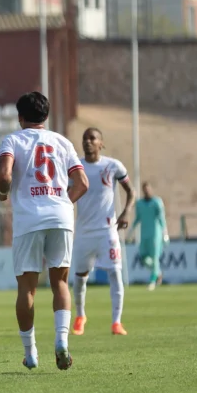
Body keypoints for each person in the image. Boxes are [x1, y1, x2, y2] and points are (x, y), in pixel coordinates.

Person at [0, 91, 89, 371]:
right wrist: (63, 203)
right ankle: (62, 342)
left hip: (29, 218)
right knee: (60, 282)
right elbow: (82, 183)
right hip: (61, 217)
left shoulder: (13, 140)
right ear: (46, 116)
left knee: (27, 288)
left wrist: (3, 192)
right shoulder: (62, 141)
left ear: (20, 117)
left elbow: (4, 175)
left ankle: (31, 353)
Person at [70, 127, 135, 336]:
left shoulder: (113, 166)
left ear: (101, 143)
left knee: (115, 273)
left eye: (92, 138)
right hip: (83, 232)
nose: (88, 142)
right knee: (80, 277)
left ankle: (116, 322)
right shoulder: (76, 167)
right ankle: (80, 316)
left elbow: (131, 192)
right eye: (85, 138)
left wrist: (126, 212)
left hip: (108, 231)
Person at [131, 182, 169, 290]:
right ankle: (158, 272)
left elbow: (161, 218)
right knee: (144, 258)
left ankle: (152, 281)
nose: (146, 191)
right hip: (144, 234)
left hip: (155, 234)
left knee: (155, 257)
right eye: (145, 189)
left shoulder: (157, 202)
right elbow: (137, 218)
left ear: (151, 189)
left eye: (148, 188)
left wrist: (165, 233)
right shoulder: (140, 203)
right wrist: (130, 231)